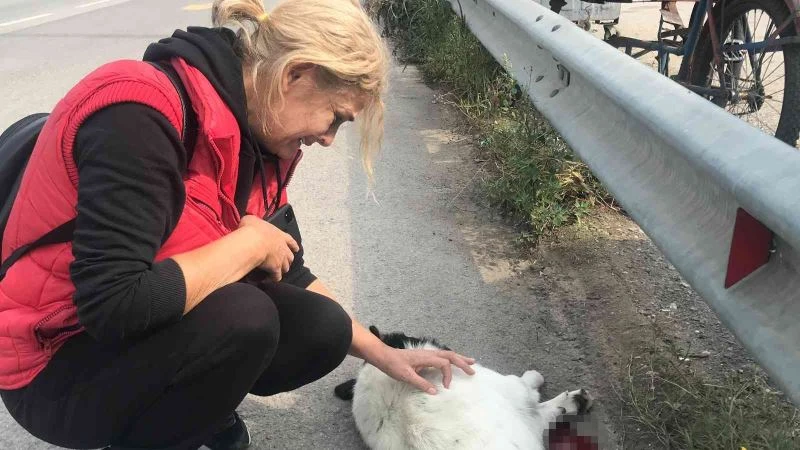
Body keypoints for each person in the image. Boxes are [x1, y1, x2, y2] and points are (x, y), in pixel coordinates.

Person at [0, 1, 475, 448]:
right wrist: (248, 244)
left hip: (130, 335)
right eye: (336, 118)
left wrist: (385, 354)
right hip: (51, 367)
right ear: (296, 74)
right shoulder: (139, 115)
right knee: (246, 318)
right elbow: (114, 306)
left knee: (322, 327)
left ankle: (197, 402)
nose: (329, 140)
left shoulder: (263, 145)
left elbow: (292, 272)